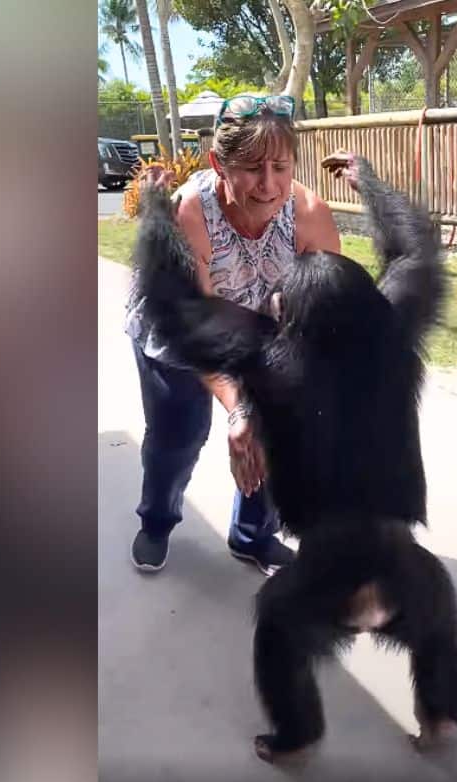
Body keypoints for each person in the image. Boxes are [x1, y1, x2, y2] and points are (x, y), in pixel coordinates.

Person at [125, 94, 342, 575]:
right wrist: (238, 407)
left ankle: (252, 536)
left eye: (280, 167)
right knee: (179, 433)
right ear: (217, 163)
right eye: (250, 168)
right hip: (175, 329)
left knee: (273, 429)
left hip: (254, 327)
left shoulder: (310, 214)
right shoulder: (190, 213)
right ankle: (157, 521)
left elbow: (323, 313)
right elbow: (193, 326)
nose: (268, 185)